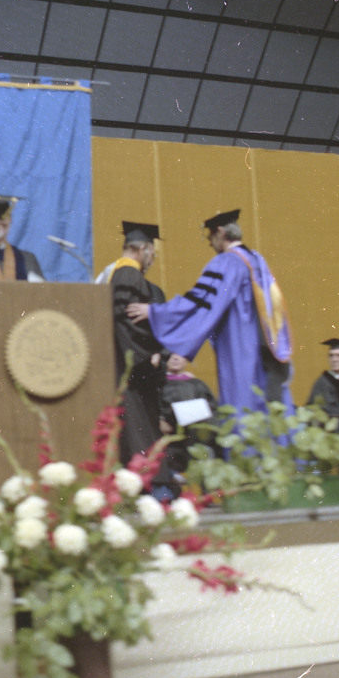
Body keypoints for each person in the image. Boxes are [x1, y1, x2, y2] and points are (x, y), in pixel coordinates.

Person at [126, 209, 293, 417]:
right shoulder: (257, 260)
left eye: (210, 238)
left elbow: (202, 300)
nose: (210, 244)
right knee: (269, 408)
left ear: (220, 232)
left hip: (242, 348)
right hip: (267, 348)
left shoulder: (228, 262)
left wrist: (155, 312)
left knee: (244, 405)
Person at [99, 221, 166, 465]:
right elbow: (125, 323)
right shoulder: (128, 273)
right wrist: (148, 355)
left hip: (128, 365)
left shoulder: (119, 272)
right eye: (152, 253)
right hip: (131, 368)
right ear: (143, 249)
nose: (152, 259)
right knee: (138, 430)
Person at [152, 352, 219, 500]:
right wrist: (162, 419)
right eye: (170, 355)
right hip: (168, 440)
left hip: (195, 439)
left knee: (206, 452)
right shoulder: (157, 383)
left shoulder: (196, 384)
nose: (175, 358)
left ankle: (208, 496)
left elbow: (212, 409)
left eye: (180, 355)